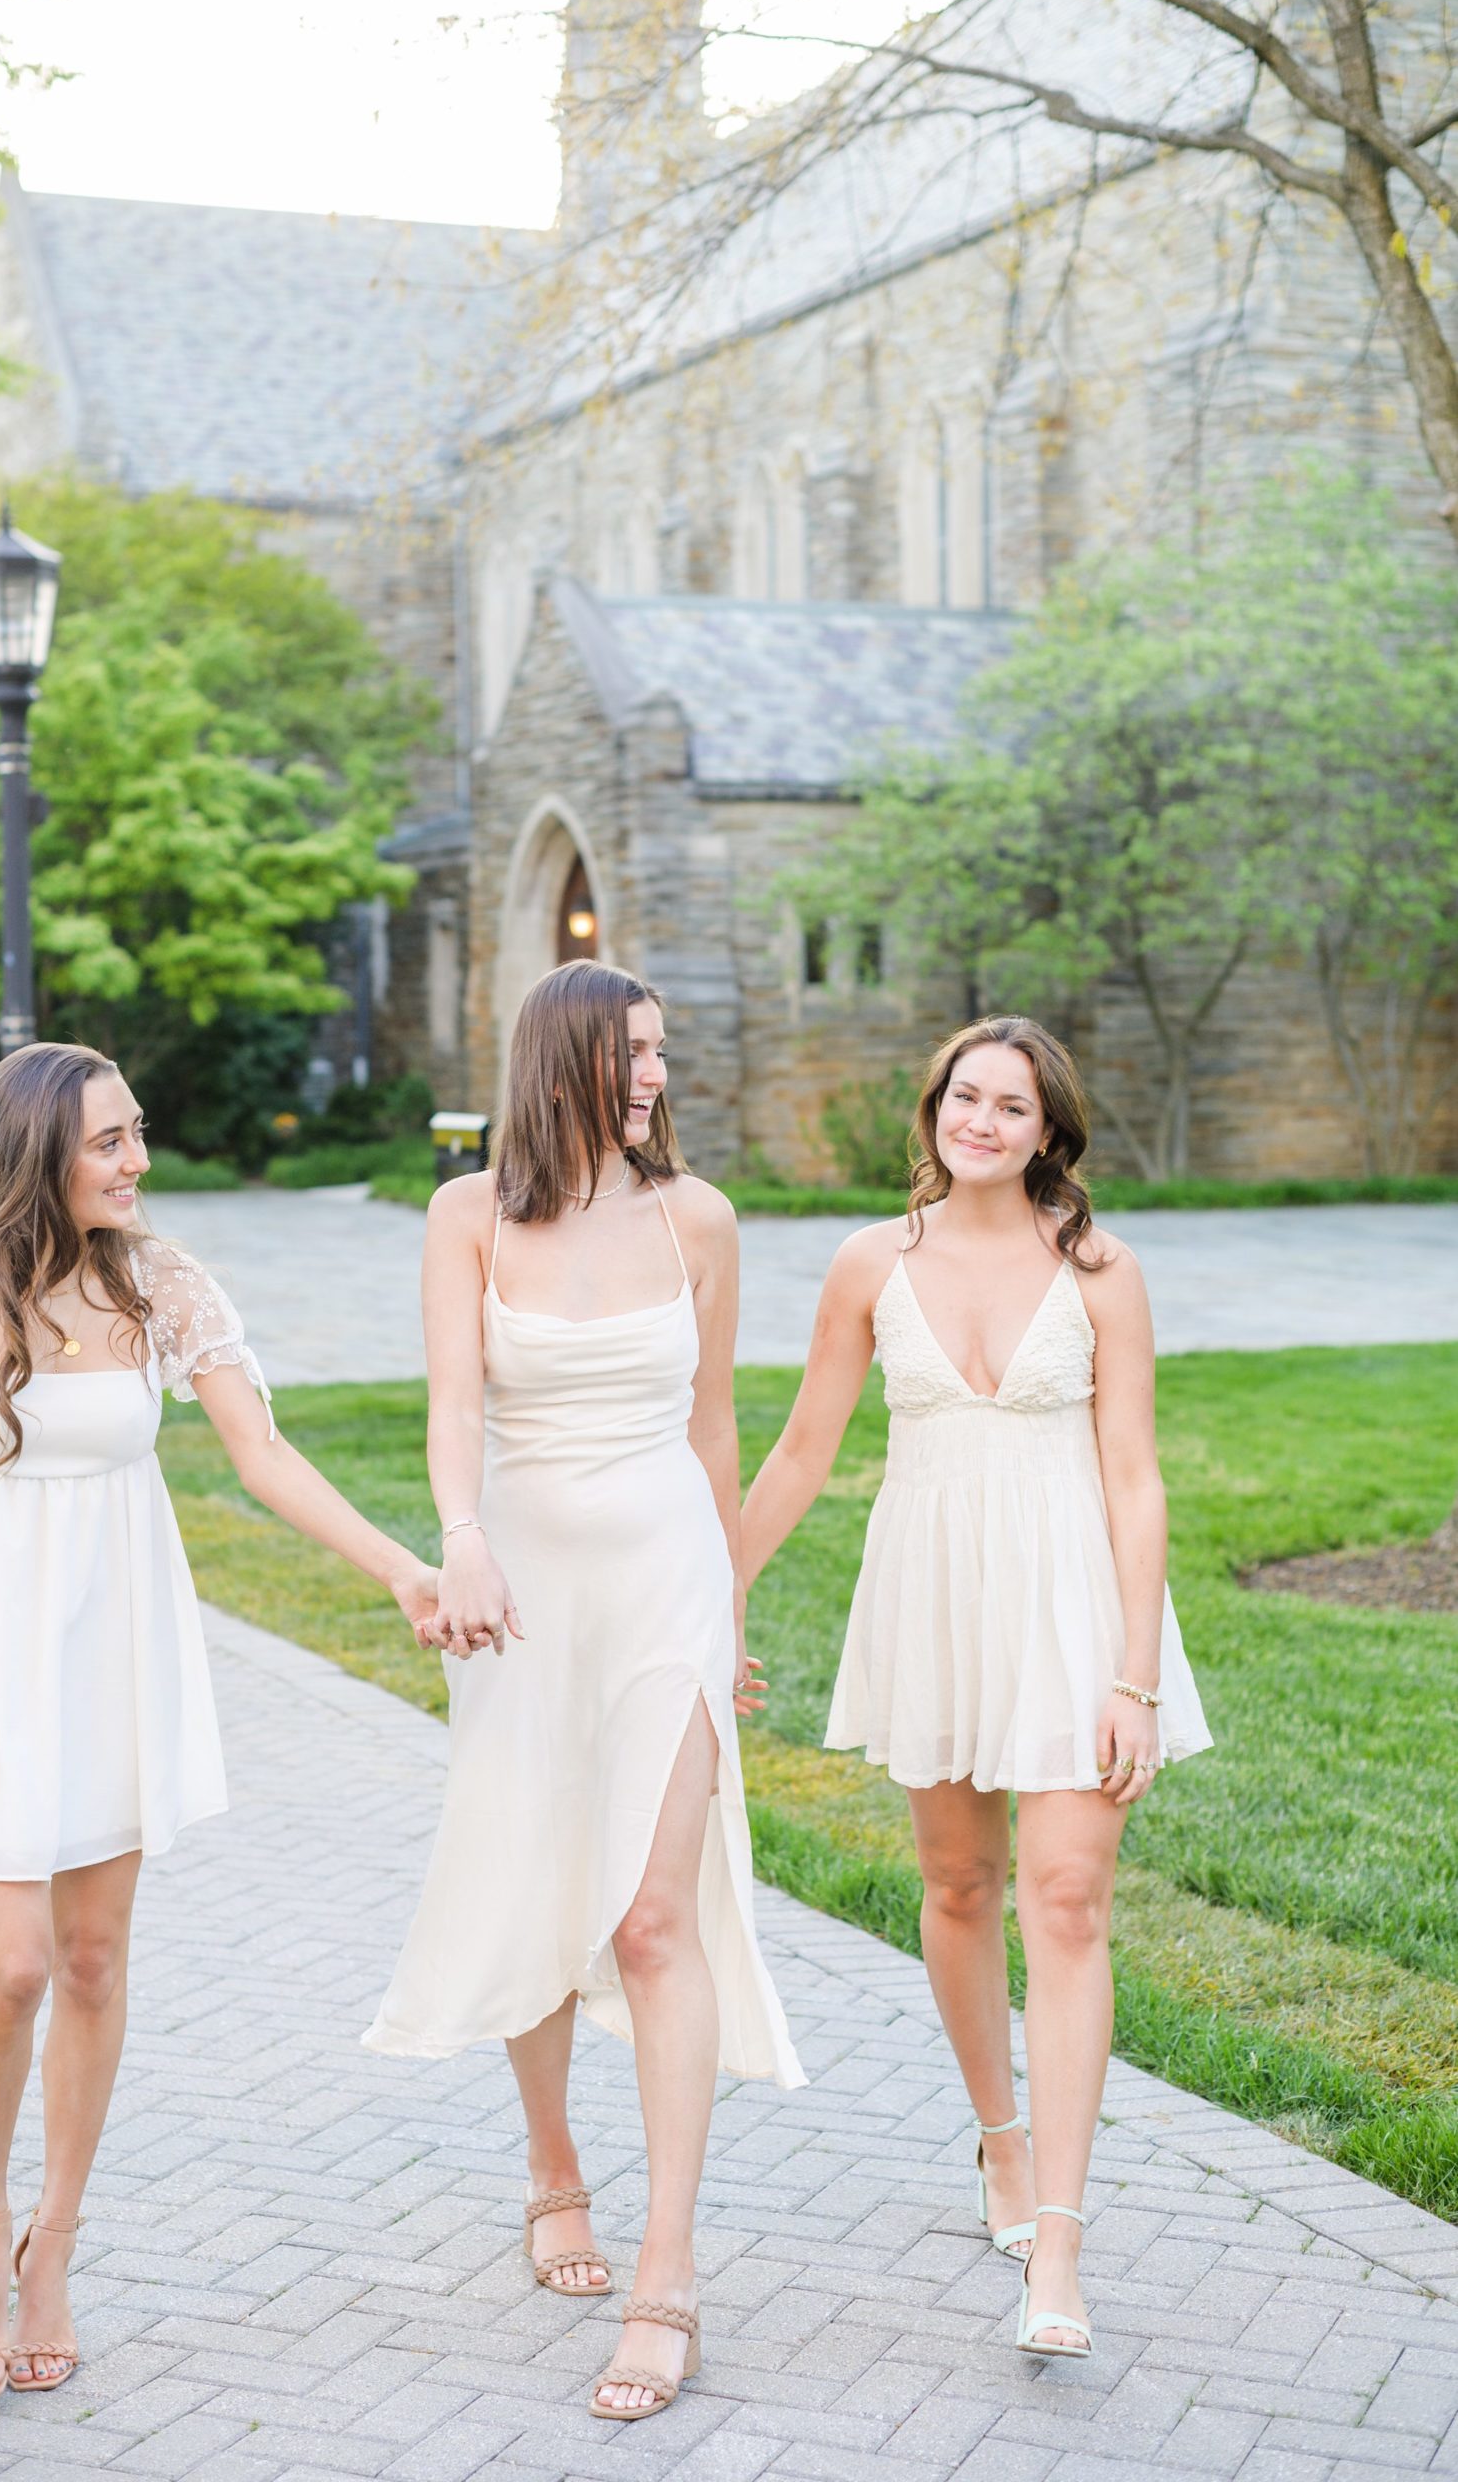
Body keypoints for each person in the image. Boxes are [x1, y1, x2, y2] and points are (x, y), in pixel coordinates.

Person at [0, 1042, 440, 2400]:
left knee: (91, 1960)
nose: (139, 1161)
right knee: (17, 1964)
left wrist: (404, 1569)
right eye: (110, 1143)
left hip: (113, 1651)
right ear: (37, 1151)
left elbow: (263, 1456)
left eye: (137, 1134)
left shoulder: (160, 1286)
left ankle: (54, 2250)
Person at [365, 959, 804, 2424]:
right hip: (525, 1586)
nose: (653, 1078)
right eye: (630, 1055)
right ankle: (555, 2169)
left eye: (662, 1055)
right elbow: (452, 1412)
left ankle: (665, 2272)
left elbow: (715, 1423)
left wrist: (729, 1611)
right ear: (561, 1060)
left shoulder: (701, 1218)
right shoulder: (466, 1218)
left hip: (666, 1582)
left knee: (650, 1909)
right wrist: (465, 1542)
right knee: (542, 1881)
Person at [741, 1016, 1210, 2360]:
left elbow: (1136, 1477)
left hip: (1075, 1607)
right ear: (936, 1110)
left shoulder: (1102, 1270)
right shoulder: (868, 1263)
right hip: (933, 1597)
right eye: (964, 1096)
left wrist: (1134, 1674)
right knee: (957, 1885)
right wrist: (710, 1591)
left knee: (1066, 1901)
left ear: (1050, 1130)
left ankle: (1058, 2239)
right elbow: (801, 1452)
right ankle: (998, 2142)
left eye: (1011, 1104)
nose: (983, 1120)